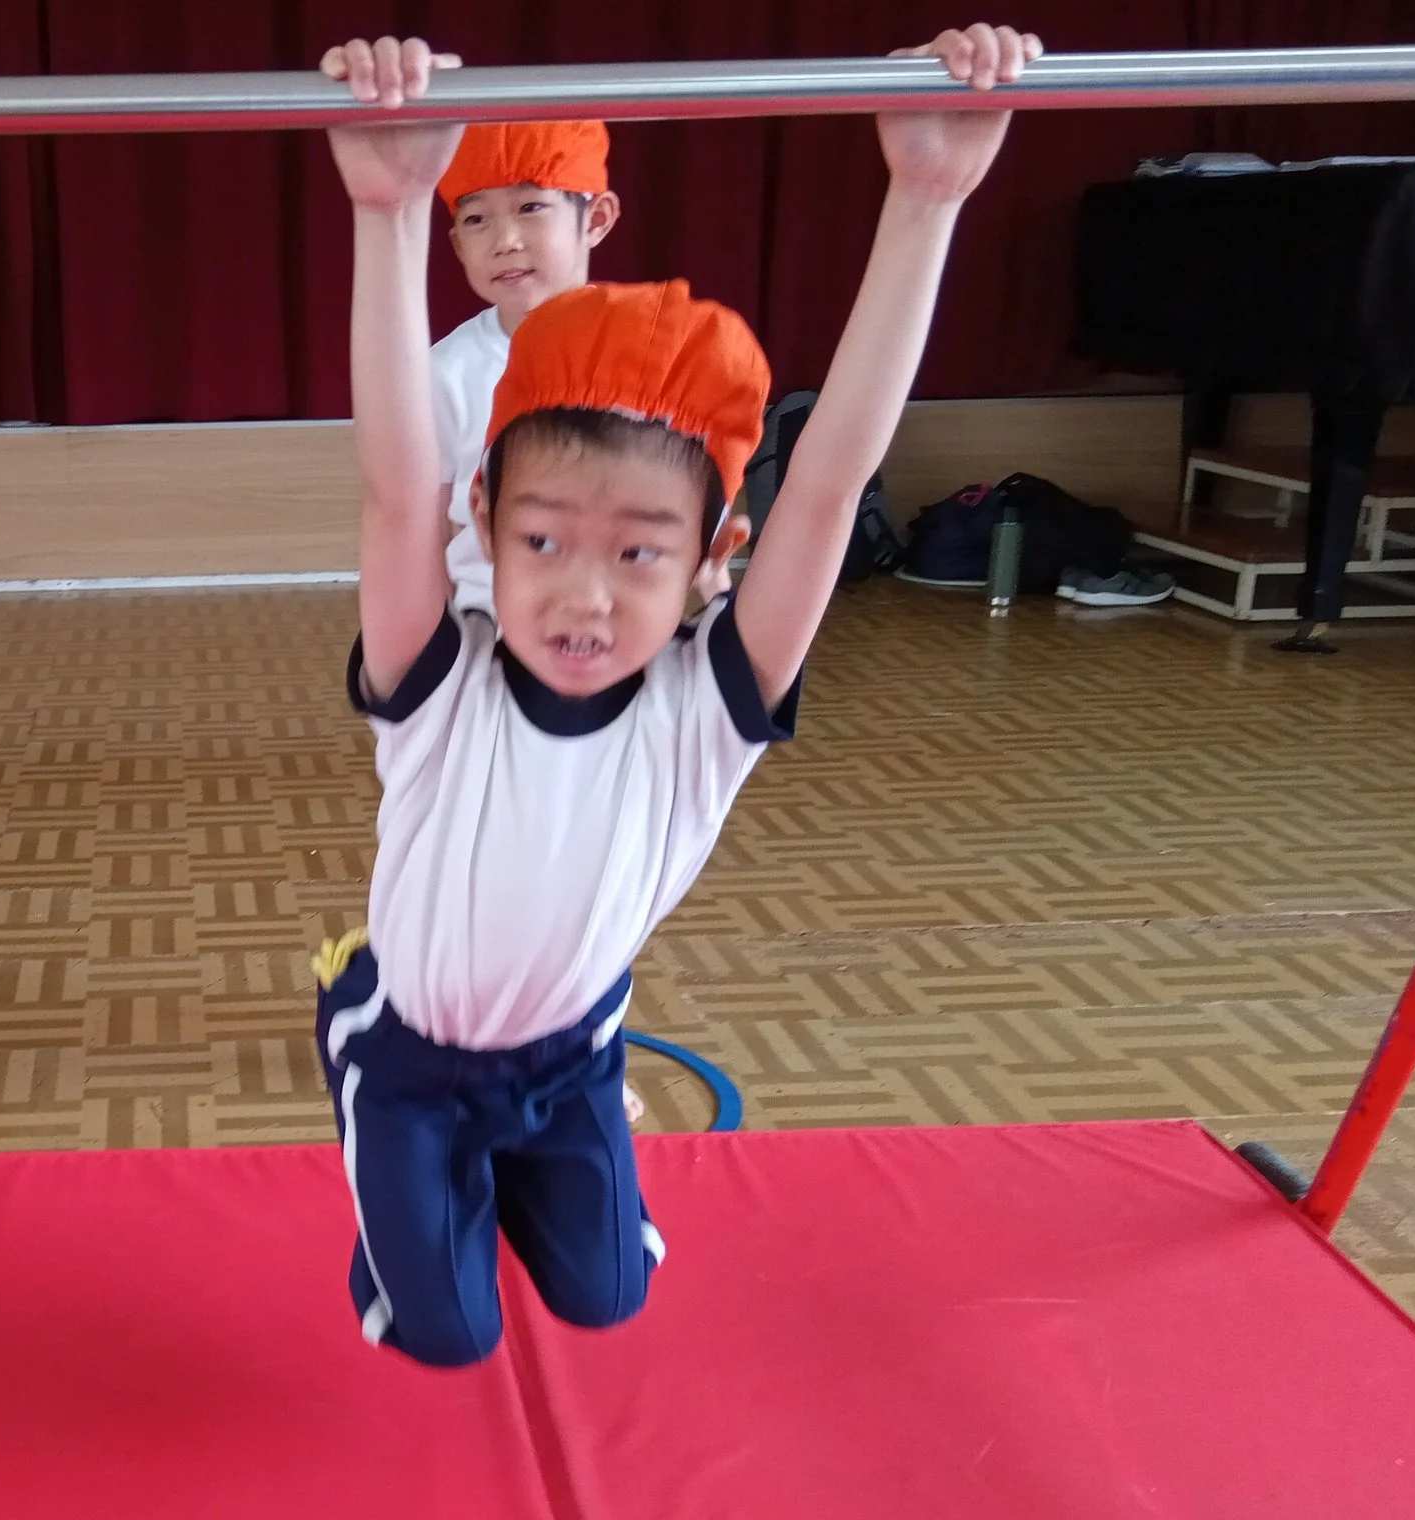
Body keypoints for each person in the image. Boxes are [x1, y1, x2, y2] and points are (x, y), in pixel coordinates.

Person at [313, 26, 1040, 1366]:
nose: (584, 598)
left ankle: (534, 1170)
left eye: (639, 554)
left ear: (715, 557)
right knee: (445, 1334)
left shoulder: (704, 714)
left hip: (571, 1055)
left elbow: (827, 482)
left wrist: (929, 196)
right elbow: (393, 490)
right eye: (542, 542)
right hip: (410, 1052)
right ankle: (376, 1070)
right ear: (483, 522)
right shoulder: (438, 684)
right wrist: (389, 212)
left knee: (606, 1298)